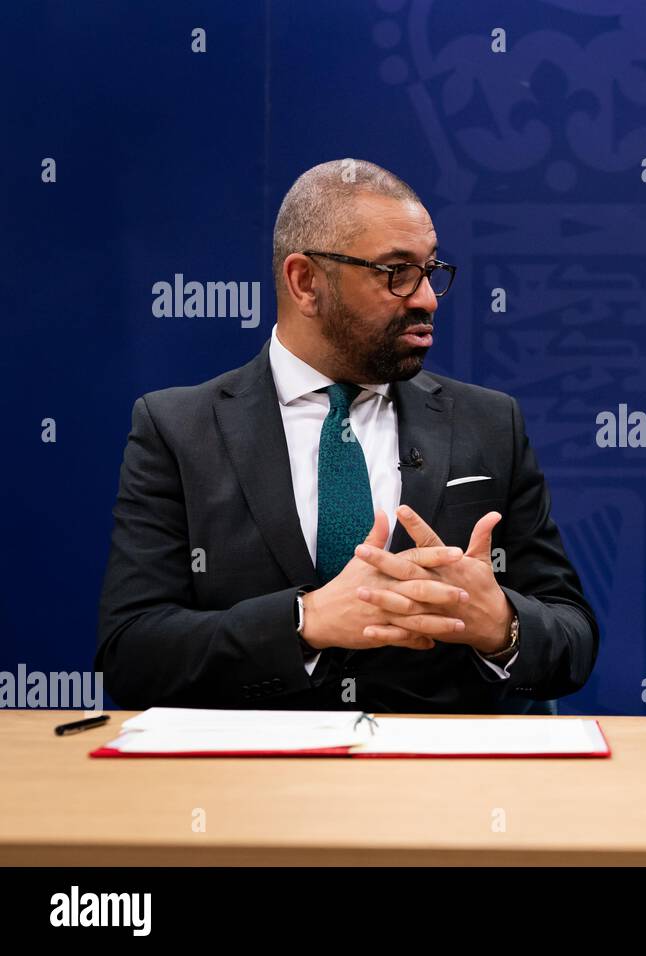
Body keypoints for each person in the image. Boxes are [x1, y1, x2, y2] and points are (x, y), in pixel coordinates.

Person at [97, 159, 598, 712]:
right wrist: (304, 622)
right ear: (305, 282)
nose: (427, 298)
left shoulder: (489, 423)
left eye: (431, 270)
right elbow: (133, 655)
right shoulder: (177, 429)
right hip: (247, 782)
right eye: (396, 272)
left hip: (442, 783)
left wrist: (500, 624)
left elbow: (573, 641)